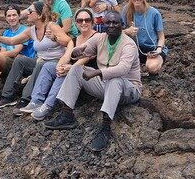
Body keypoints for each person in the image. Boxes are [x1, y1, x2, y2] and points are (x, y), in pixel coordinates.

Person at [44, 11, 141, 152]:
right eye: (108, 23)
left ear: (122, 25)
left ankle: (105, 128)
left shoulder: (128, 44)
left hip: (129, 89)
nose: (112, 25)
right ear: (103, 25)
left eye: (115, 22)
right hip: (106, 86)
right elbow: (83, 50)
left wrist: (96, 72)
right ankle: (67, 114)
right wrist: (75, 53)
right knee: (77, 69)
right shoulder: (100, 38)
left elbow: (123, 69)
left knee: (115, 79)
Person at [18, 8, 98, 121]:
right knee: (48, 66)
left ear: (92, 22)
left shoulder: (96, 38)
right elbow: (66, 55)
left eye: (87, 20)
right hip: (75, 73)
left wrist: (68, 68)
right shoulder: (75, 40)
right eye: (80, 20)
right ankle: (36, 101)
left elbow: (86, 58)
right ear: (76, 23)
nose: (84, 23)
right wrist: (60, 66)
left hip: (89, 75)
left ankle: (48, 105)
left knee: (68, 71)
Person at [0, 0, 71, 109]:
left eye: (30, 11)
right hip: (41, 60)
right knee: (20, 60)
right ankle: (7, 96)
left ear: (38, 15)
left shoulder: (51, 27)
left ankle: (26, 98)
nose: (27, 13)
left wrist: (55, 38)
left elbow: (69, 41)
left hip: (55, 61)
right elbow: (11, 41)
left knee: (40, 65)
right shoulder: (31, 30)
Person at [121, 0, 167, 75]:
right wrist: (127, 31)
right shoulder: (126, 11)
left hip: (152, 49)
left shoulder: (154, 13)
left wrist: (158, 50)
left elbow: (161, 36)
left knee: (152, 67)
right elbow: (118, 33)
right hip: (134, 49)